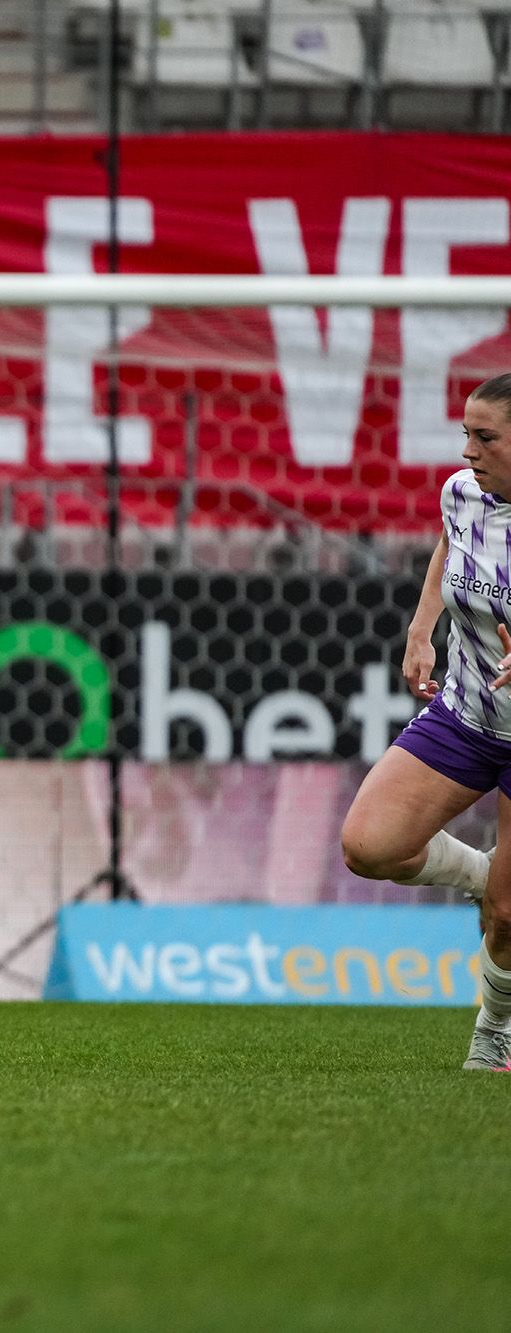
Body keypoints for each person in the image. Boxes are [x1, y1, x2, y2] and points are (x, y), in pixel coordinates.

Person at [341, 372, 511, 1070]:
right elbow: (451, 544)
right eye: (466, 434)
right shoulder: (462, 493)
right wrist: (421, 627)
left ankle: (495, 1031)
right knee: (368, 845)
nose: (467, 450)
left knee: (507, 917)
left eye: (485, 437)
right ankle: (486, 875)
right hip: (468, 711)